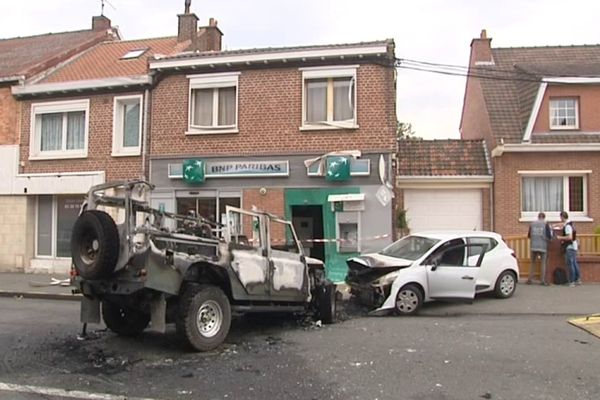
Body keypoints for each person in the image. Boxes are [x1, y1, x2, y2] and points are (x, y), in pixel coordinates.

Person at [556, 211, 581, 287]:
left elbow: (569, 237)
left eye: (560, 217)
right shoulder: (571, 224)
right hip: (574, 246)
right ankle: (577, 279)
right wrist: (556, 224)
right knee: (574, 263)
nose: (560, 219)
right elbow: (563, 225)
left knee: (570, 264)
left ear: (562, 217)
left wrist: (560, 237)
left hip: (569, 247)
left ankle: (572, 281)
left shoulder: (567, 226)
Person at [527, 212, 552, 285]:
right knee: (543, 263)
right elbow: (549, 236)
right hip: (543, 246)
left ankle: (530, 279)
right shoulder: (546, 224)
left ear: (538, 217)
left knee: (532, 263)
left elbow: (529, 235)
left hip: (533, 246)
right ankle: (542, 280)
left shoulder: (532, 224)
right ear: (544, 217)